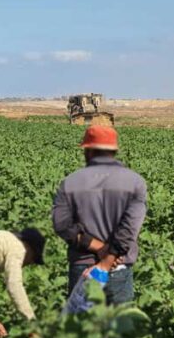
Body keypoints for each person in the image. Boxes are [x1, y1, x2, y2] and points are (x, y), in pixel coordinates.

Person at [52, 125, 147, 305]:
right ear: (114, 150)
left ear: (87, 150)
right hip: (117, 267)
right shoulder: (135, 182)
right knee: (119, 329)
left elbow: (62, 225)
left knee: (83, 330)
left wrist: (98, 247)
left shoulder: (70, 182)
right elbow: (129, 229)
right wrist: (108, 257)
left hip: (82, 267)